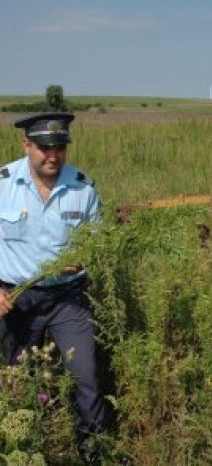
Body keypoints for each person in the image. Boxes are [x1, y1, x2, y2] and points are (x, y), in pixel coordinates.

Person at [0, 112, 106, 464]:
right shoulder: (3, 184)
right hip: (14, 298)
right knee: (16, 380)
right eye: (44, 147)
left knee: (85, 376)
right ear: (26, 145)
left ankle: (91, 450)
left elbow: (99, 241)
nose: (52, 156)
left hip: (66, 297)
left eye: (59, 147)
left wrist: (84, 256)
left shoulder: (83, 188)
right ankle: (24, 451)